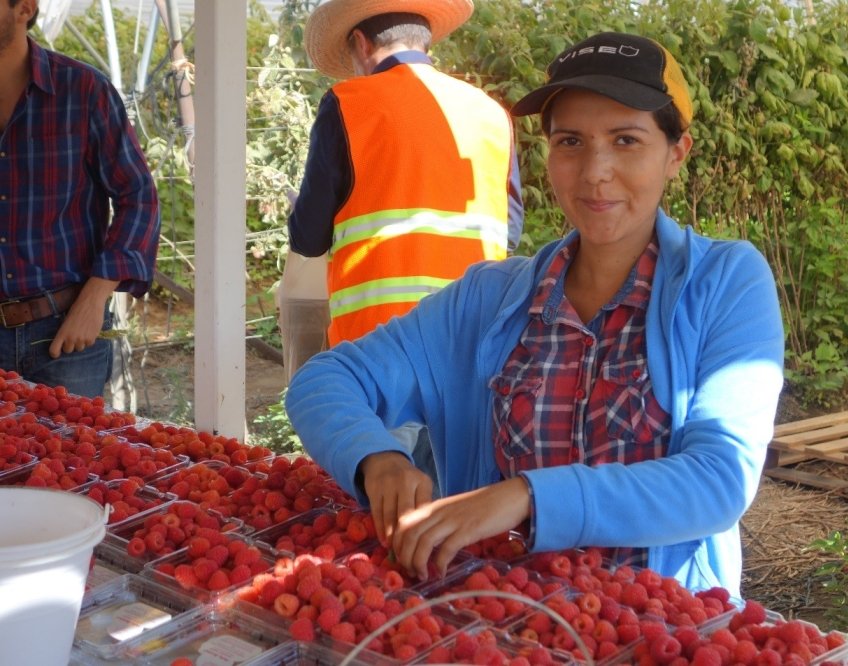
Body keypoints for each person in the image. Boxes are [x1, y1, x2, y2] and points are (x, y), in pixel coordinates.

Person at [286, 31, 784, 597]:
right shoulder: (489, 299)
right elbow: (324, 379)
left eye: (626, 140)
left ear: (676, 153)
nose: (595, 171)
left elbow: (719, 480)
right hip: (500, 627)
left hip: (658, 624)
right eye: (570, 141)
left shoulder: (724, 284)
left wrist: (526, 495)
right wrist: (377, 457)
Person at [287, 0, 523, 353]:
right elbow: (510, 232)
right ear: (424, 41)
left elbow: (308, 238)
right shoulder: (491, 113)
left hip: (376, 346)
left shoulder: (347, 103)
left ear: (360, 42)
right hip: (473, 341)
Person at [0, 0, 160, 398]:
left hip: (66, 334)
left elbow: (137, 196)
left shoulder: (83, 90)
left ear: (24, 9)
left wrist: (93, 299)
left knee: (72, 459)